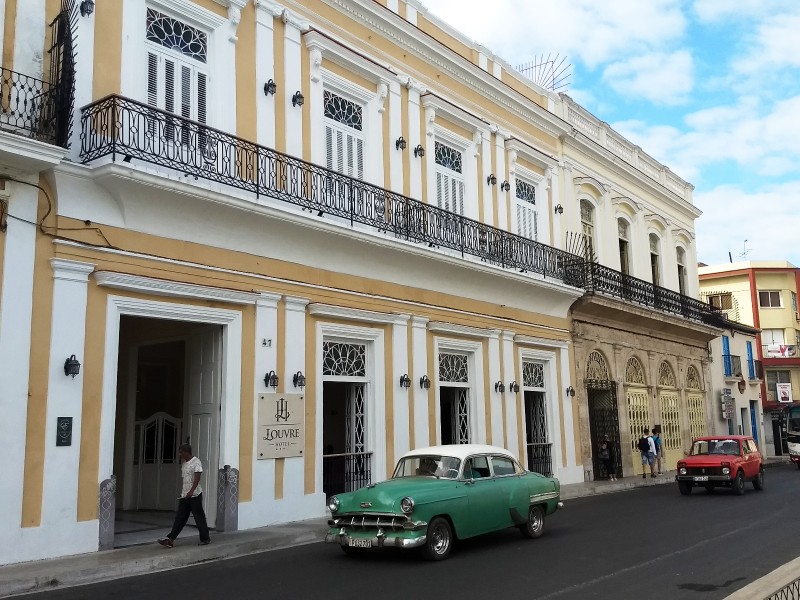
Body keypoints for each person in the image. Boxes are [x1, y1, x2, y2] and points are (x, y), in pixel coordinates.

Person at [157, 444, 211, 548]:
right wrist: (184, 493)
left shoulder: (196, 462)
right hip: (185, 496)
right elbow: (185, 480)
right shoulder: (184, 464)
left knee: (199, 517)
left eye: (181, 452)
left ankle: (205, 538)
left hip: (195, 495)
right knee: (180, 517)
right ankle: (170, 539)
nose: (180, 454)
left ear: (187, 452)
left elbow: (197, 478)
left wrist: (191, 491)